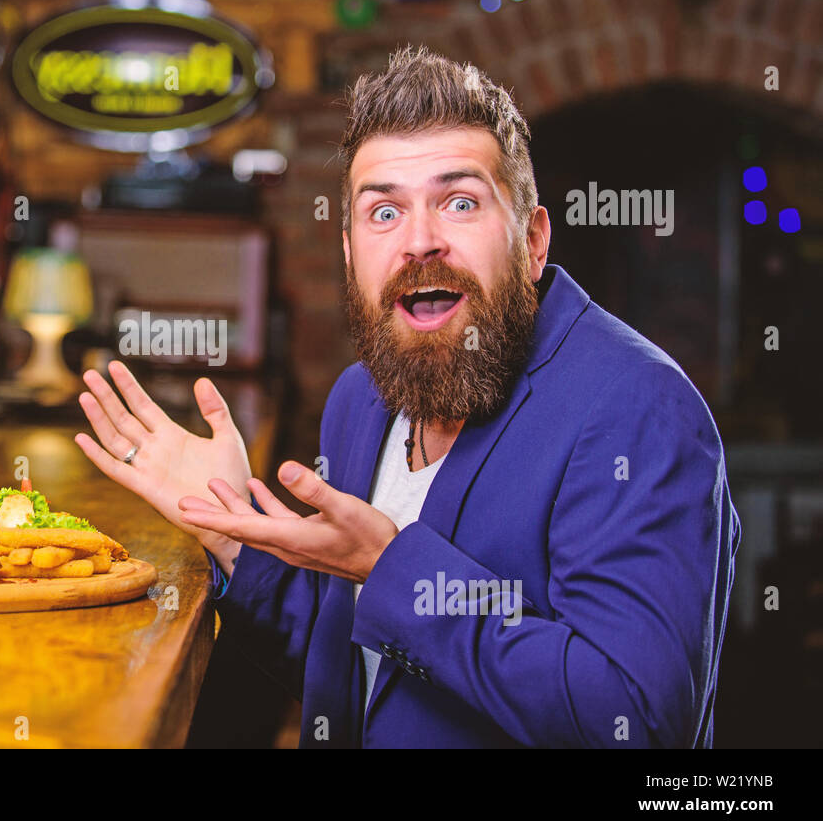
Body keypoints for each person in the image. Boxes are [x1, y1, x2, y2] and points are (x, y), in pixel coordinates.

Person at [73, 46, 740, 748]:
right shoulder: (361, 400)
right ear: (349, 250)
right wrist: (232, 530)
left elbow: (636, 720)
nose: (420, 242)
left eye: (459, 203)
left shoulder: (638, 409)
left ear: (534, 240)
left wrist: (392, 566)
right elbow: (363, 676)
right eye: (383, 212)